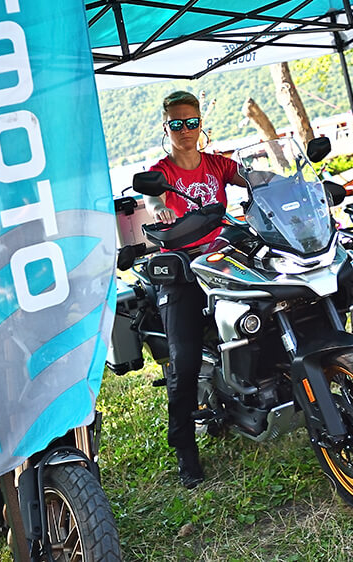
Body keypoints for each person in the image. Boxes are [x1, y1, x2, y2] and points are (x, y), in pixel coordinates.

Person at [143, 90, 247, 488]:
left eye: (191, 122)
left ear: (201, 123)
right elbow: (152, 199)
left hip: (223, 260)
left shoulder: (218, 164)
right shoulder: (162, 171)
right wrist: (159, 209)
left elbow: (252, 178)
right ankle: (185, 447)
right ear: (166, 127)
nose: (185, 130)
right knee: (183, 360)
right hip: (182, 270)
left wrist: (281, 182)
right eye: (177, 124)